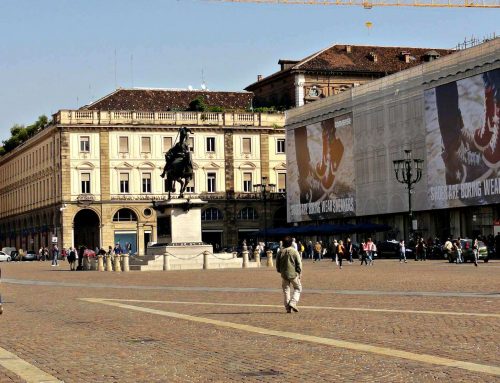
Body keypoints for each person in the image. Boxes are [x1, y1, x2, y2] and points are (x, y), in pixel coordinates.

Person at [276, 236, 302, 313]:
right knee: (298, 288)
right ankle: (293, 302)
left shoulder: (280, 252)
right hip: (293, 274)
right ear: (291, 243)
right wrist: (299, 272)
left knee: (286, 290)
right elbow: (299, 264)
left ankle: (287, 307)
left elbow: (277, 264)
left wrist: (280, 271)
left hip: (284, 274)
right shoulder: (294, 251)